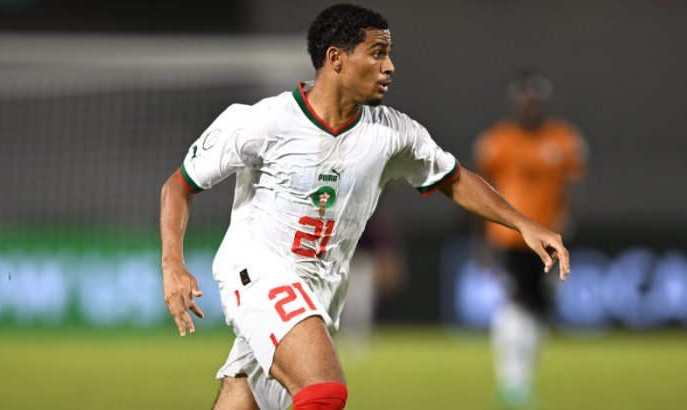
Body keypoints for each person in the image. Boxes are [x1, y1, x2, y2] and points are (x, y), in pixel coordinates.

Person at [160, 5, 570, 410]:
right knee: (323, 391)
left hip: (321, 290)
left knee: (241, 399)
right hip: (258, 272)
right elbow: (178, 186)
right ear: (335, 58)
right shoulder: (263, 122)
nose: (390, 67)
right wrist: (173, 264)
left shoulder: (393, 133)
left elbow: (455, 179)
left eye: (388, 54)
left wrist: (523, 223)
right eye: (377, 53)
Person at [473, 71, 587, 407]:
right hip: (508, 237)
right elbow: (478, 194)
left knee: (538, 307)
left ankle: (521, 381)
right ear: (514, 103)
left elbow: (571, 191)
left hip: (549, 238)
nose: (529, 107)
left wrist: (567, 230)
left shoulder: (563, 140)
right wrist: (480, 240)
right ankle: (512, 382)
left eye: (535, 101)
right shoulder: (496, 142)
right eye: (524, 101)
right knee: (516, 302)